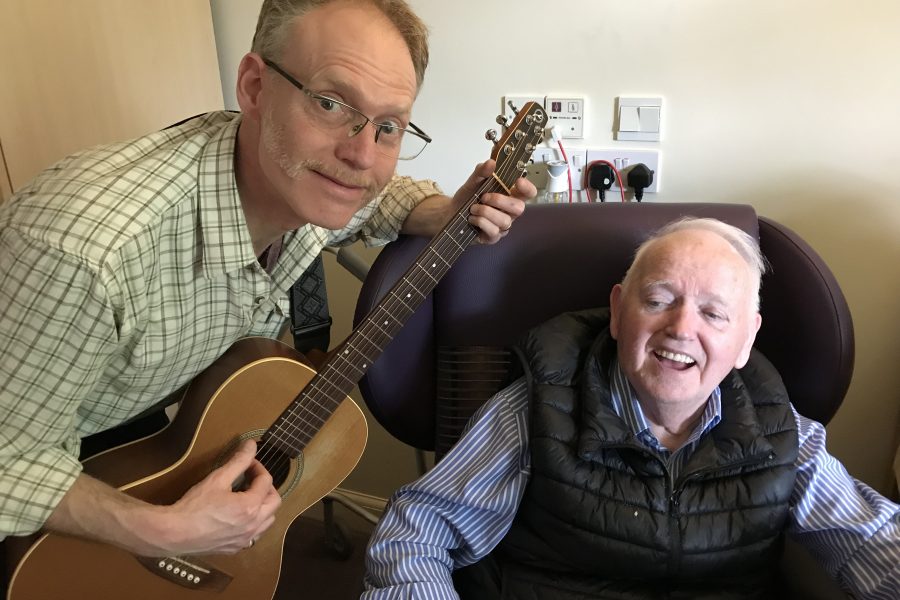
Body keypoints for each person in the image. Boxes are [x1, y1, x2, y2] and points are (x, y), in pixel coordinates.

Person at [0, 0, 534, 560]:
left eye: (388, 126)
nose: (360, 155)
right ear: (255, 87)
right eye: (330, 104)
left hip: (120, 419)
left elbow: (377, 201)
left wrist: (440, 209)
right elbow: (10, 461)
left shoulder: (304, 179)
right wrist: (168, 531)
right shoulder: (89, 252)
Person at [364, 218, 900, 599]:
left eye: (714, 314)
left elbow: (871, 540)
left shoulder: (785, 433)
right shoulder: (533, 412)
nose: (681, 328)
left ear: (745, 341)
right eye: (660, 299)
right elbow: (417, 531)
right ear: (619, 312)